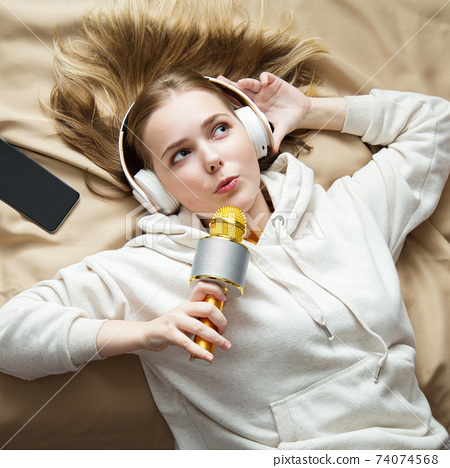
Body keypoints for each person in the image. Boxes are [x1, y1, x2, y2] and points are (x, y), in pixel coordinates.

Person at [1, 61, 449, 449]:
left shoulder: (351, 210)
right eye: (180, 155)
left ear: (252, 132)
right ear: (156, 191)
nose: (213, 159)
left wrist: (308, 111)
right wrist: (142, 333)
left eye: (220, 129)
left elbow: (437, 123)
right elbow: (9, 334)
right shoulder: (146, 268)